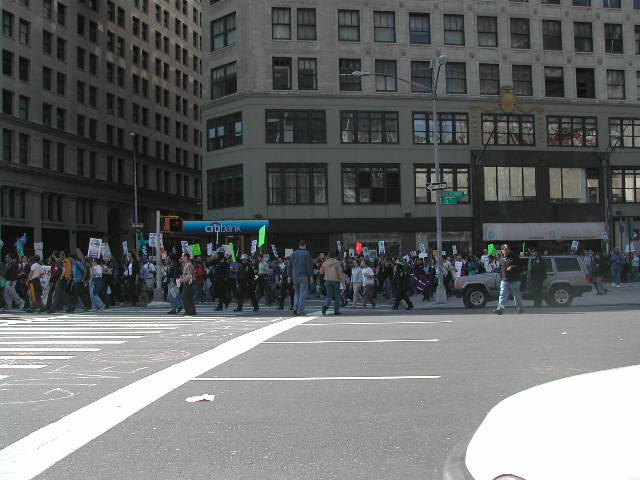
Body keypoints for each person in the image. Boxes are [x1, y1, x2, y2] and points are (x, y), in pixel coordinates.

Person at [494, 244, 524, 315]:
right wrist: (501, 277)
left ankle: (520, 308)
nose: (507, 251)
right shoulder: (501, 258)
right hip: (504, 279)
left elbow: (520, 267)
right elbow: (501, 268)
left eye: (507, 249)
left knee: (516, 294)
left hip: (514, 279)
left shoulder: (515, 256)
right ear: (502, 251)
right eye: (505, 249)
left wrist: (512, 267)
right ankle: (500, 309)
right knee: (502, 294)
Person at [288, 240, 314, 315]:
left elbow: (289, 265)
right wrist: (311, 275)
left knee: (297, 292)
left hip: (294, 275)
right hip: (303, 275)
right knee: (303, 293)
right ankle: (300, 310)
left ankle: (295, 308)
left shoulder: (293, 253)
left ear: (299, 245)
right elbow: (309, 265)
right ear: (305, 245)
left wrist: (289, 275)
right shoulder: (307, 253)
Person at [320, 250, 348, 316]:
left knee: (329, 295)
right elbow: (340, 273)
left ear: (329, 255)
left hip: (327, 280)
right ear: (335, 256)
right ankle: (336, 311)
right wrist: (343, 282)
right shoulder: (337, 263)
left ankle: (325, 306)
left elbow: (321, 272)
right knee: (337, 296)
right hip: (335, 280)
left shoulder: (325, 263)